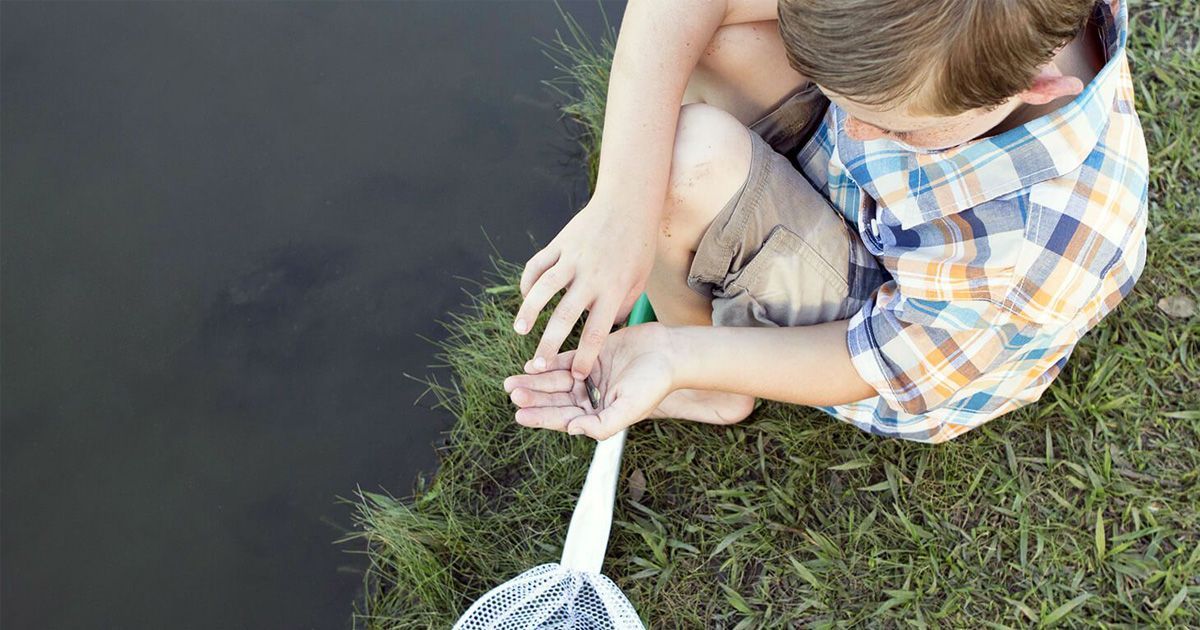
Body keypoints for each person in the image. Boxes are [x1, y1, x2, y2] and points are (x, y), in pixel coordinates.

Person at [501, 0, 1148, 443]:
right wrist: (621, 207)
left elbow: (879, 359)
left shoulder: (1025, 244)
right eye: (837, 94)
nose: (859, 135)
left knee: (680, 161)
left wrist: (675, 356)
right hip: (873, 212)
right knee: (720, 36)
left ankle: (712, 379)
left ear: (1038, 88)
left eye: (897, 128)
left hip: (899, 331)